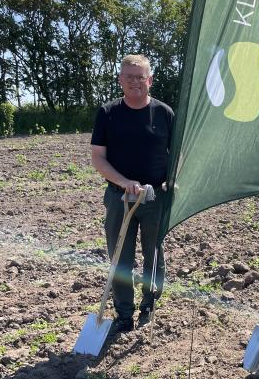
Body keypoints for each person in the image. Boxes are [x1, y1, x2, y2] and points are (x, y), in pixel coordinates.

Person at [90, 54, 174, 333]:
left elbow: (178, 154)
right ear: (120, 80)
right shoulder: (107, 113)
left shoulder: (164, 113)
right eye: (129, 77)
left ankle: (148, 305)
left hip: (155, 198)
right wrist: (124, 181)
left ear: (149, 80)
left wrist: (171, 181)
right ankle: (123, 313)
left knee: (154, 254)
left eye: (141, 77)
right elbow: (98, 158)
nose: (135, 82)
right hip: (119, 198)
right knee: (120, 257)